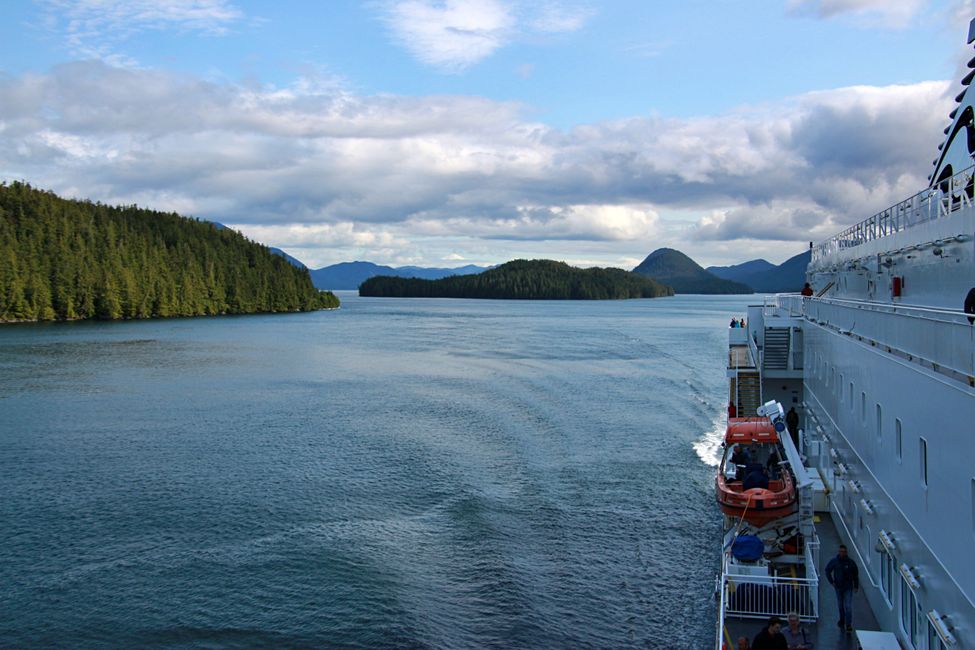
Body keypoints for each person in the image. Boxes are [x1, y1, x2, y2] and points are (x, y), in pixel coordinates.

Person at [824, 544, 859, 631]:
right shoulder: (834, 561)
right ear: (839, 552)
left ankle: (848, 624)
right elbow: (827, 570)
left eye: (844, 552)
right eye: (841, 551)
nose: (842, 553)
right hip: (838, 587)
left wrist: (856, 586)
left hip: (848, 588)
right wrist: (831, 581)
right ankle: (842, 620)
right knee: (840, 605)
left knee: (848, 606)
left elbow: (855, 575)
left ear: (846, 552)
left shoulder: (851, 563)